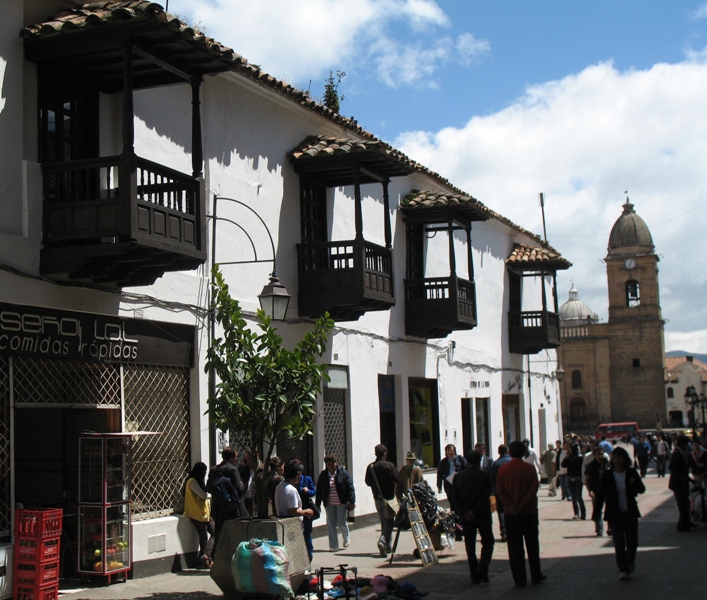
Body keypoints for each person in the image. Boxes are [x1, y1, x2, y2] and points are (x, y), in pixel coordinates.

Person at [591, 446, 646, 580]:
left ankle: (630, 560)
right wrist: (596, 514)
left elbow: (642, 489)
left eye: (619, 458)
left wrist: (634, 483)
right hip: (615, 513)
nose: (616, 460)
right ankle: (623, 569)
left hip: (630, 512)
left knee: (632, 541)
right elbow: (601, 494)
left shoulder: (631, 473)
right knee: (619, 542)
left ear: (624, 459)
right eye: (614, 458)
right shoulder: (608, 475)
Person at [496, 440, 545, 587]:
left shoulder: (503, 470)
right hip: (528, 512)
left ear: (510, 452)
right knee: (532, 545)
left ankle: (519, 578)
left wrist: (511, 505)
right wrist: (522, 504)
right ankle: (536, 574)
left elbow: (500, 491)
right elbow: (533, 489)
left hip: (511, 514)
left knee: (515, 547)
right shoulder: (529, 469)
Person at [452, 450, 495, 585]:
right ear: (479, 460)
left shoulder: (458, 477)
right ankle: (483, 568)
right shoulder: (484, 476)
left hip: (467, 517)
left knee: (470, 546)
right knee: (488, 542)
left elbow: (455, 497)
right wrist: (475, 511)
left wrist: (465, 512)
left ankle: (474, 575)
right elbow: (485, 496)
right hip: (482, 514)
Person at [207, 447, 245, 555]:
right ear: (231, 457)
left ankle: (217, 557)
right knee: (234, 533)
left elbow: (209, 487)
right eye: (236, 457)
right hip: (231, 508)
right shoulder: (232, 469)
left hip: (217, 508)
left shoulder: (214, 469)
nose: (236, 459)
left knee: (219, 533)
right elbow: (239, 488)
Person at [316, 453, 356, 552]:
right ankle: (334, 545)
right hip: (329, 503)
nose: (331, 466)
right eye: (328, 464)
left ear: (336, 463)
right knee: (331, 524)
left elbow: (350, 487)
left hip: (341, 503)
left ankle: (346, 538)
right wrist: (317, 504)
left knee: (342, 522)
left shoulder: (343, 473)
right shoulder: (323, 475)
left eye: (332, 463)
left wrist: (351, 501)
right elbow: (319, 490)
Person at [365, 444, 400, 556]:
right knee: (390, 521)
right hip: (389, 498)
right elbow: (397, 478)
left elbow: (368, 482)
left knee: (383, 521)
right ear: (384, 453)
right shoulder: (389, 465)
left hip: (377, 498)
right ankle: (382, 540)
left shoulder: (371, 467)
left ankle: (387, 546)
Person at [184, 462, 215, 568]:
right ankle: (204, 560)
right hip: (196, 514)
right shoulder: (192, 482)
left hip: (204, 513)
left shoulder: (199, 482)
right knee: (203, 537)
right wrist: (212, 495)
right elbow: (202, 495)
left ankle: (206, 556)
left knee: (214, 532)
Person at [274, 459, 314, 525]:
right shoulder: (291, 490)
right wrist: (306, 512)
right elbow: (293, 512)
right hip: (291, 526)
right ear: (298, 474)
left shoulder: (279, 486)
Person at [585, 446, 610, 536]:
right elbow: (587, 479)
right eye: (598, 454)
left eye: (601, 454)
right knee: (598, 511)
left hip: (608, 490)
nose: (600, 456)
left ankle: (610, 528)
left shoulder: (608, 464)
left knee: (610, 510)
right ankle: (599, 529)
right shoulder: (591, 466)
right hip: (596, 491)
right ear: (594, 455)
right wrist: (589, 490)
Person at [436, 444, 468, 515]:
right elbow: (439, 475)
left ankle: (461, 516)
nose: (450, 452)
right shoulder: (443, 462)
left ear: (454, 451)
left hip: (460, 484)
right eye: (448, 451)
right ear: (446, 452)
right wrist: (439, 486)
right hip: (449, 485)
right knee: (452, 501)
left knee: (460, 501)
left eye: (451, 450)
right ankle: (455, 517)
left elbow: (467, 469)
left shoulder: (460, 459)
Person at [669, 435, 692, 532]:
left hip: (681, 483)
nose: (687, 447)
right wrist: (681, 478)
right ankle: (683, 526)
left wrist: (689, 479)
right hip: (678, 484)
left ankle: (685, 524)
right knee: (683, 505)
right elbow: (672, 468)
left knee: (685, 504)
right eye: (686, 445)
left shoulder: (679, 452)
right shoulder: (677, 454)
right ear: (683, 445)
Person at [488, 444, 511, 542]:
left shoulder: (495, 464)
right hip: (512, 491)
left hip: (499, 491)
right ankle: (512, 531)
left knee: (501, 511)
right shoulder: (512, 461)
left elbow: (491, 478)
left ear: (499, 452)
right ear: (507, 451)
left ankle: (504, 533)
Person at [295, 461, 317, 562]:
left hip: (306, 510)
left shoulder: (307, 479)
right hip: (296, 511)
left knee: (307, 533)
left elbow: (313, 492)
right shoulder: (292, 481)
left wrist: (308, 491)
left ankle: (309, 554)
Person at [562, 442, 586, 520]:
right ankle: (576, 513)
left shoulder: (580, 458)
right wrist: (567, 456)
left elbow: (581, 468)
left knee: (579, 497)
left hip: (578, 479)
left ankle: (583, 513)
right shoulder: (569, 457)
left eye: (571, 449)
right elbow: (563, 465)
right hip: (570, 479)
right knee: (573, 497)